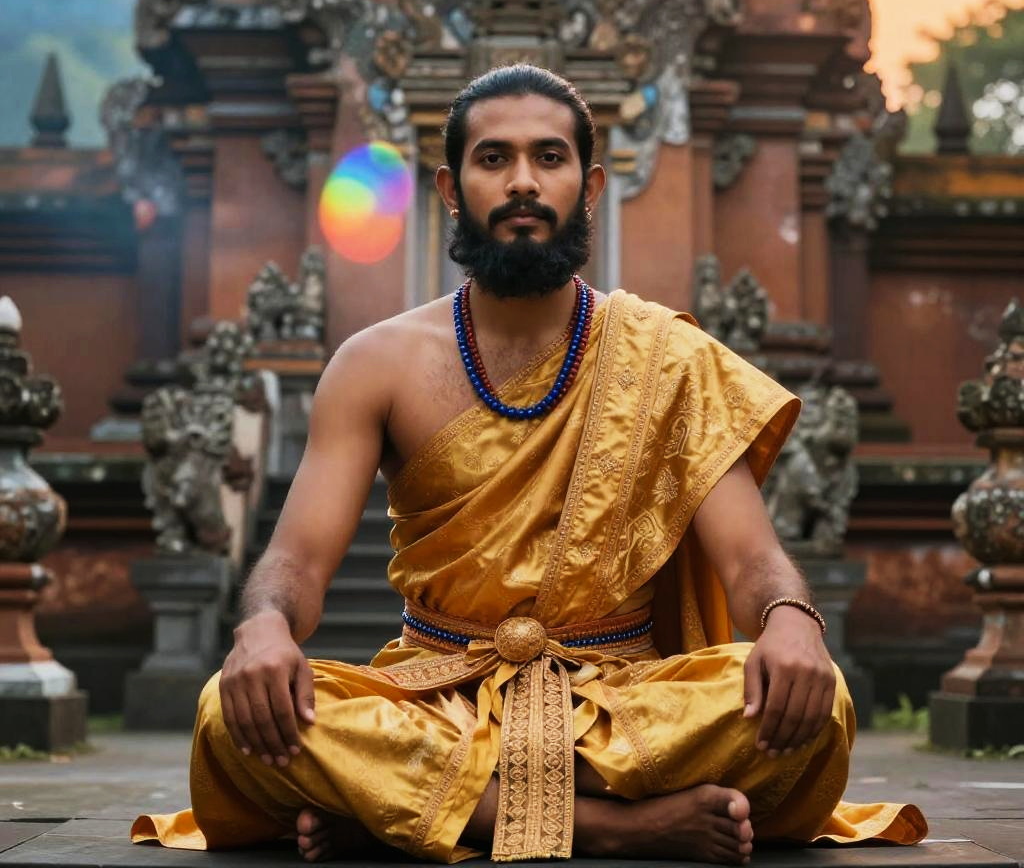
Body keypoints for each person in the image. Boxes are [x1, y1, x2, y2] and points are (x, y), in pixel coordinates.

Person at [132, 65, 926, 864]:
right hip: (440, 693)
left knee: (813, 706)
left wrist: (791, 621)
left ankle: (406, 811)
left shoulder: (669, 358)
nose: (521, 182)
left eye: (549, 158)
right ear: (451, 186)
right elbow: (294, 562)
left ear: (589, 187)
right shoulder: (374, 364)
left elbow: (753, 559)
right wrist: (264, 626)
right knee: (229, 716)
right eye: (493, 159)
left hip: (617, 702)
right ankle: (612, 828)